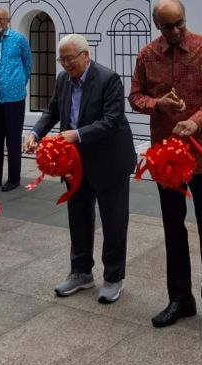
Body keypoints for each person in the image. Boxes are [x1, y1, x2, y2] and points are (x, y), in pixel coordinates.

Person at [129, 0, 202, 342]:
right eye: (167, 26)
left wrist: (196, 120)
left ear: (185, 18)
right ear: (157, 26)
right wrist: (158, 105)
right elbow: (135, 97)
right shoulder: (147, 55)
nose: (174, 31)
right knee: (173, 228)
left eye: (179, 24)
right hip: (166, 156)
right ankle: (180, 299)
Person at [24, 35, 137, 304]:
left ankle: (113, 277)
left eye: (70, 59)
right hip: (75, 162)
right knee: (78, 218)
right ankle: (81, 272)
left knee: (113, 221)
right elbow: (52, 111)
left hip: (109, 160)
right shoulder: (63, 79)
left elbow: (112, 120)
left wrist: (77, 134)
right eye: (61, 60)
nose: (65, 65)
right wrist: (35, 133)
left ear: (86, 55)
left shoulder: (108, 79)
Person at [0, 9, 32, 191]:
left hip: (14, 98)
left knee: (12, 138)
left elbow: (28, 64)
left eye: (0, 18)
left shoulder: (19, 39)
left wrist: (18, 83)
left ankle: (13, 179)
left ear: (7, 20)